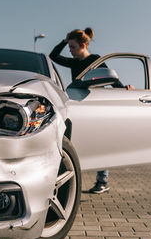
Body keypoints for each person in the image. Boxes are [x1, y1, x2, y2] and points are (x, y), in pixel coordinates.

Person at [50, 27, 133, 194]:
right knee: (74, 141)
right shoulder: (73, 62)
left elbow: (111, 77)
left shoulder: (95, 60)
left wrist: (124, 89)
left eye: (72, 47)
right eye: (69, 47)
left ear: (82, 45)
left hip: (97, 105)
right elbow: (53, 56)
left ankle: (102, 182)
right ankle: (69, 179)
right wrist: (64, 41)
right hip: (79, 105)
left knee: (101, 141)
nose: (70, 50)